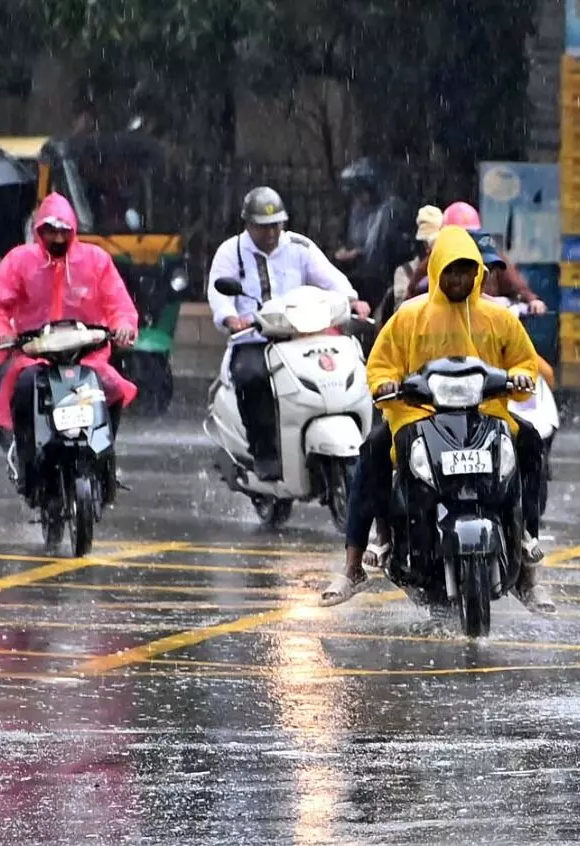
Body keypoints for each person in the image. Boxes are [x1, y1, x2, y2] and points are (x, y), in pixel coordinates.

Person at [322, 225, 554, 613]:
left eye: (466, 270)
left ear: (479, 271)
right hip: (419, 417)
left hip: (487, 417)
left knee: (529, 442)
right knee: (375, 449)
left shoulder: (499, 319)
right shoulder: (409, 316)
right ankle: (356, 561)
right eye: (451, 270)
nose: (459, 278)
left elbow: (523, 360)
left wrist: (521, 376)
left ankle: (528, 555)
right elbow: (381, 364)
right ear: (437, 270)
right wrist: (384, 385)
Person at [0, 194, 139, 498]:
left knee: (112, 389)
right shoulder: (20, 261)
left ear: (74, 231)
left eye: (63, 231)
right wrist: (0, 333)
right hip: (36, 358)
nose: (57, 237)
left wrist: (122, 326)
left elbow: (119, 303)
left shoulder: (95, 260)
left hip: (88, 357)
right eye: (50, 230)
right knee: (24, 388)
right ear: (39, 231)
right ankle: (27, 460)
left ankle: (103, 453)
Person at [207, 187, 367, 482]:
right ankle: (265, 452)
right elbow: (218, 294)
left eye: (275, 225)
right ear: (248, 224)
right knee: (251, 377)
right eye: (262, 227)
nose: (270, 233)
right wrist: (231, 318)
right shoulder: (231, 252)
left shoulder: (299, 247)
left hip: (303, 335)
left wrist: (352, 299)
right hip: (255, 339)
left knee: (345, 367)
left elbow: (330, 277)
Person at [438, 202, 549, 314]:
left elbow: (513, 283)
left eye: (470, 235)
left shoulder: (488, 255)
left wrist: (531, 299)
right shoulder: (437, 259)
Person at [335, 158, 410, 305]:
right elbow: (349, 240)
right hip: (357, 279)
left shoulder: (389, 209)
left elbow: (382, 252)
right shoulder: (357, 210)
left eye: (360, 192)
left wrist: (361, 256)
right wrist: (345, 254)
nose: (357, 198)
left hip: (381, 281)